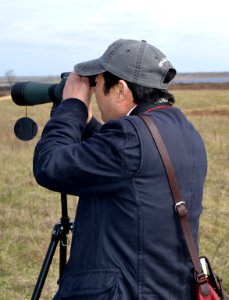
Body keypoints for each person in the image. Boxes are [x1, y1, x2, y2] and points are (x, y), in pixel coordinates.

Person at [33, 39, 207, 299]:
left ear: (121, 90)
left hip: (124, 291)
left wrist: (72, 107)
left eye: (99, 84)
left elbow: (49, 165)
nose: (95, 93)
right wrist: (89, 124)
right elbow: (130, 165)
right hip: (166, 288)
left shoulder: (129, 138)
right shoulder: (183, 130)